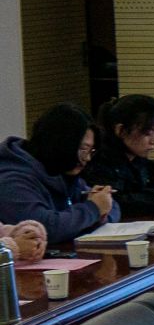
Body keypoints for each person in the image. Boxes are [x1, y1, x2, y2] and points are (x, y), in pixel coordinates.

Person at [0, 102, 112, 246]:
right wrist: (93, 209)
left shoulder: (61, 169)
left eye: (91, 151)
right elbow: (43, 229)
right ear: (60, 143)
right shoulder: (10, 179)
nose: (87, 158)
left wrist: (99, 210)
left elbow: (111, 206)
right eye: (83, 149)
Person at [82, 93, 154, 220]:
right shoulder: (99, 161)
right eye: (147, 134)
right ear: (121, 130)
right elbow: (117, 203)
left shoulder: (137, 159)